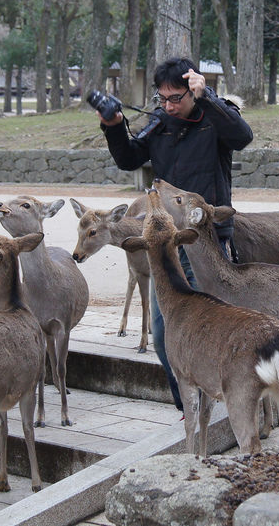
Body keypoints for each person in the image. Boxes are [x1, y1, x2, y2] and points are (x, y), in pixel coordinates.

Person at [98, 57, 253, 411]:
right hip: (166, 241)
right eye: (162, 98)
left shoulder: (216, 116)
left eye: (176, 98)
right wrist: (114, 125)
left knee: (211, 328)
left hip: (206, 239)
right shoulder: (160, 122)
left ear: (192, 88)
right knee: (164, 331)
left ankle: (227, 402)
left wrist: (208, 98)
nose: (168, 105)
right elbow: (129, 158)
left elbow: (242, 137)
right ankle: (189, 408)